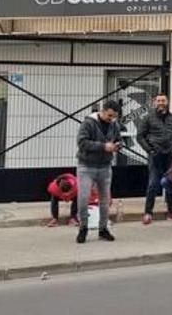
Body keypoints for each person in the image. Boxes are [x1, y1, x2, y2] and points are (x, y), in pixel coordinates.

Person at [75, 100, 121, 244]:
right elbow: (82, 142)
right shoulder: (88, 123)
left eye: (114, 116)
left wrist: (118, 145)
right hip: (86, 166)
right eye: (109, 115)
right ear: (103, 111)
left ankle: (103, 229)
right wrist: (103, 146)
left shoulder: (114, 124)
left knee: (105, 200)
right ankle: (83, 228)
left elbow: (118, 139)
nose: (111, 119)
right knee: (83, 199)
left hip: (105, 166)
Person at [136, 93, 172, 225]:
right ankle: (148, 213)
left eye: (163, 100)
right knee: (153, 184)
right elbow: (140, 136)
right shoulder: (148, 117)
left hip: (169, 155)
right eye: (158, 100)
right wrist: (149, 150)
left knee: (168, 182)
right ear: (155, 102)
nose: (161, 102)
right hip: (155, 155)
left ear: (167, 102)